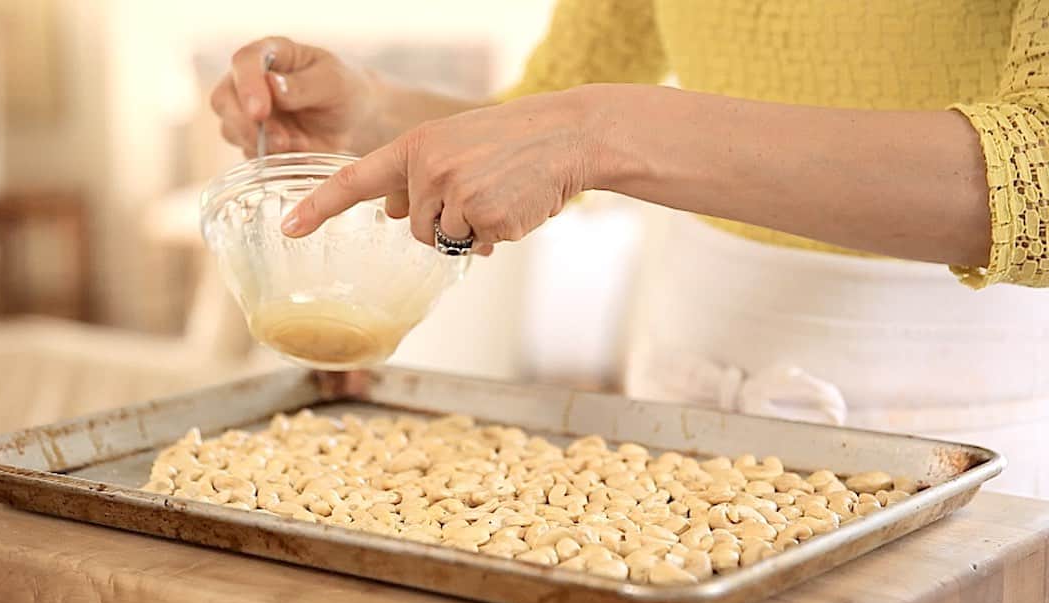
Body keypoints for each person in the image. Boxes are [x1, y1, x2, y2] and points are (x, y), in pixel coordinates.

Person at [212, 1, 1049, 497]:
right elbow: (544, 109)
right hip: (681, 403)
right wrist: (382, 119)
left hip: (962, 430)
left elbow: (1037, 168)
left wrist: (604, 129)